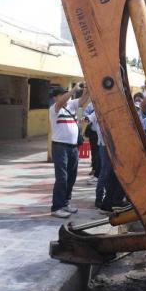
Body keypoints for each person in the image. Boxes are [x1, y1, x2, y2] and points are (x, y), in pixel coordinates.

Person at [49, 83, 90, 218]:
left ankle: (66, 203)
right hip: (60, 147)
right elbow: (62, 101)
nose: (66, 97)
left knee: (71, 177)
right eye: (63, 94)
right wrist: (73, 90)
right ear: (56, 97)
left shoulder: (71, 105)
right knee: (62, 178)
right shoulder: (55, 109)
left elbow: (83, 100)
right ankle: (57, 207)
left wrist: (87, 90)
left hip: (73, 147)